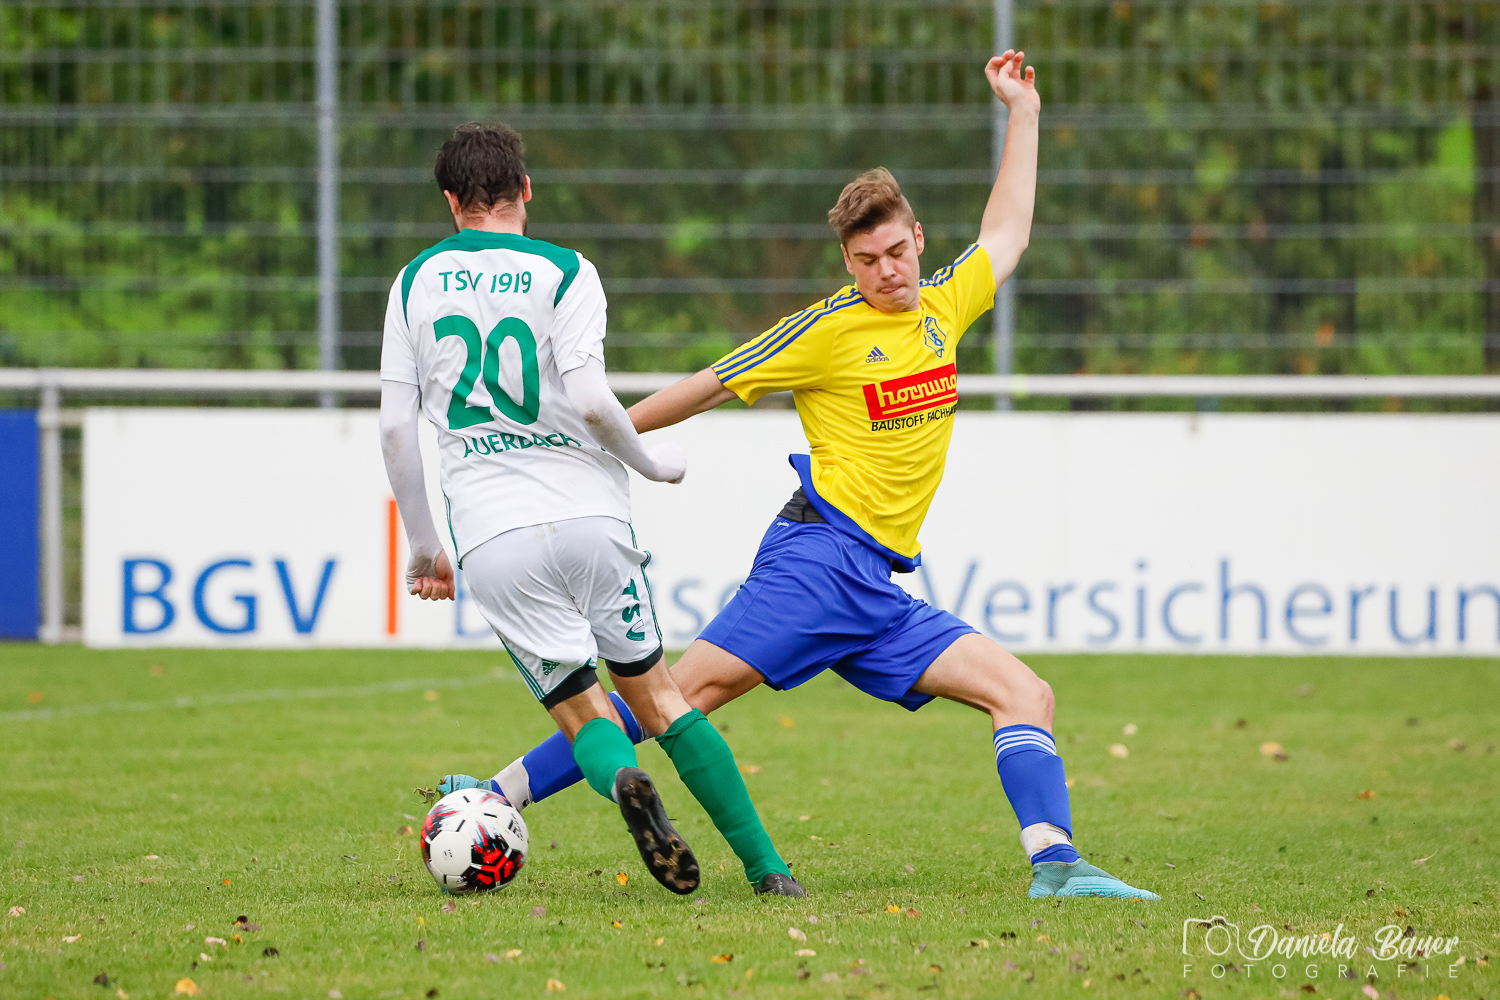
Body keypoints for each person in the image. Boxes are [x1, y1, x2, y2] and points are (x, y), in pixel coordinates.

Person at [451, 54, 1159, 901]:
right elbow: (712, 383)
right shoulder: (825, 330)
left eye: (895, 252)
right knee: (676, 697)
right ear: (849, 264)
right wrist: (601, 436)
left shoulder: (946, 305)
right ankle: (497, 794)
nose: (886, 271)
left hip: (875, 587)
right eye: (866, 260)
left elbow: (1007, 232)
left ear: (918, 240)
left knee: (1024, 693)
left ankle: (1057, 866)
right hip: (817, 563)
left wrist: (1025, 111)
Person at [381, 122, 803, 897]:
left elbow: (394, 429)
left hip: (494, 534)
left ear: (449, 201)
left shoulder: (414, 283)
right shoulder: (568, 272)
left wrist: (422, 546)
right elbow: (594, 403)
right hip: (590, 518)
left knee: (584, 715)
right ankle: (768, 871)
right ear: (525, 189)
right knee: (662, 698)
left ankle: (622, 783)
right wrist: (652, 463)